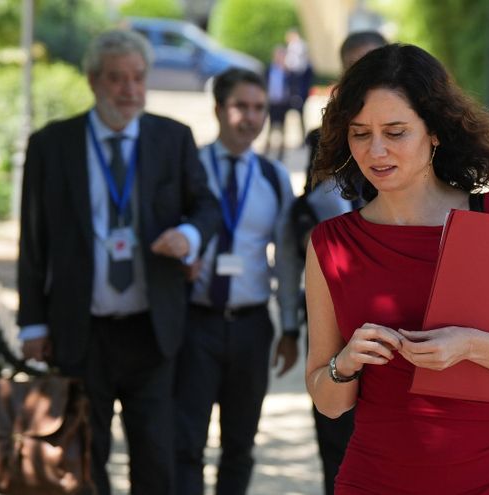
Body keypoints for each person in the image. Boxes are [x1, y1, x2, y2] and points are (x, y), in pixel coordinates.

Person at [304, 43, 489, 494]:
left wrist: (471, 345)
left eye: (395, 132)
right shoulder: (331, 244)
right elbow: (329, 403)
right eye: (360, 133)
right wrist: (346, 363)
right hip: (377, 480)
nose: (376, 150)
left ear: (434, 131)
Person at [17, 29, 220, 495]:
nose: (128, 90)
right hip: (80, 330)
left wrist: (189, 236)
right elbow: (33, 240)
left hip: (152, 329)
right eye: (116, 79)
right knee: (85, 457)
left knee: (156, 457)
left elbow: (206, 207)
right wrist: (32, 323)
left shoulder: (172, 138)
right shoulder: (52, 145)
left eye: (137, 78)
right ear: (93, 81)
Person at [174, 68, 301, 495]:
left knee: (240, 445)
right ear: (218, 110)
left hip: (250, 325)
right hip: (195, 324)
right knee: (186, 443)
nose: (251, 118)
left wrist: (288, 327)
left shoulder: (272, 177)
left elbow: (285, 259)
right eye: (240, 107)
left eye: (259, 108)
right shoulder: (188, 167)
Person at [296, 30, 386, 495]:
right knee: (335, 436)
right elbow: (305, 213)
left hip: (393, 299)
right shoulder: (323, 138)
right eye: (354, 65)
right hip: (338, 286)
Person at [265, 45, 291, 160]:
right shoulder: (269, 69)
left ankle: (281, 151)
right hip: (271, 102)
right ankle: (268, 148)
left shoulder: (287, 71)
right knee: (270, 126)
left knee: (282, 127)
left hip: (282, 103)